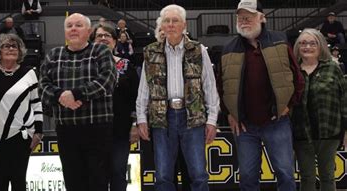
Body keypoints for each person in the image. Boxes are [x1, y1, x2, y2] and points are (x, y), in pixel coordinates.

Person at [218, 0, 305, 190]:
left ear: (262, 18)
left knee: (285, 173)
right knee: (248, 177)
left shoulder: (280, 41)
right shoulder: (228, 48)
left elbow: (298, 79)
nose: (244, 20)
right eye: (241, 17)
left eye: (249, 16)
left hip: (277, 122)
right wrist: (229, 113)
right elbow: (221, 86)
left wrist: (288, 106)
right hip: (245, 126)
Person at [136, 4, 219, 191]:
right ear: (162, 26)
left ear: (184, 25)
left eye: (175, 21)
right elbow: (144, 88)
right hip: (161, 118)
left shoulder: (198, 50)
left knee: (198, 174)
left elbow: (210, 86)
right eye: (167, 21)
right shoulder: (150, 52)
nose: (171, 24)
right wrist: (141, 118)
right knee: (163, 175)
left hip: (193, 118)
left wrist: (212, 119)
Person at [39, 13, 116, 191]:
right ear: (65, 31)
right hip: (66, 129)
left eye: (78, 25)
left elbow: (106, 81)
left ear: (89, 31)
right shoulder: (53, 55)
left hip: (98, 127)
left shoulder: (101, 51)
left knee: (98, 181)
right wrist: (61, 96)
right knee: (73, 181)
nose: (73, 28)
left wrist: (75, 94)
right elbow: (43, 87)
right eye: (69, 25)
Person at [291, 28, 347, 191]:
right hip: (301, 133)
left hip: (329, 132)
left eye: (312, 43)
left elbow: (344, 99)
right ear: (297, 47)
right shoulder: (292, 71)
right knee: (306, 178)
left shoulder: (332, 68)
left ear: (320, 45)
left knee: (328, 177)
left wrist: (345, 130)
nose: (307, 47)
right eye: (303, 43)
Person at [0, 33, 43, 191]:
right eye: (6, 46)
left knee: (19, 182)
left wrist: (38, 131)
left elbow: (36, 103)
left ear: (20, 51)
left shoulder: (29, 73)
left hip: (22, 136)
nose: (11, 49)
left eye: (14, 46)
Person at [91, 23, 139, 191]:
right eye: (99, 36)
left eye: (108, 36)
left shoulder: (126, 65)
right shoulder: (85, 65)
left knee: (118, 172)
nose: (103, 38)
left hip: (120, 129)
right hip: (93, 130)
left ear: (115, 41)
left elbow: (136, 97)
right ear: (92, 41)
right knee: (97, 175)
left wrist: (135, 124)